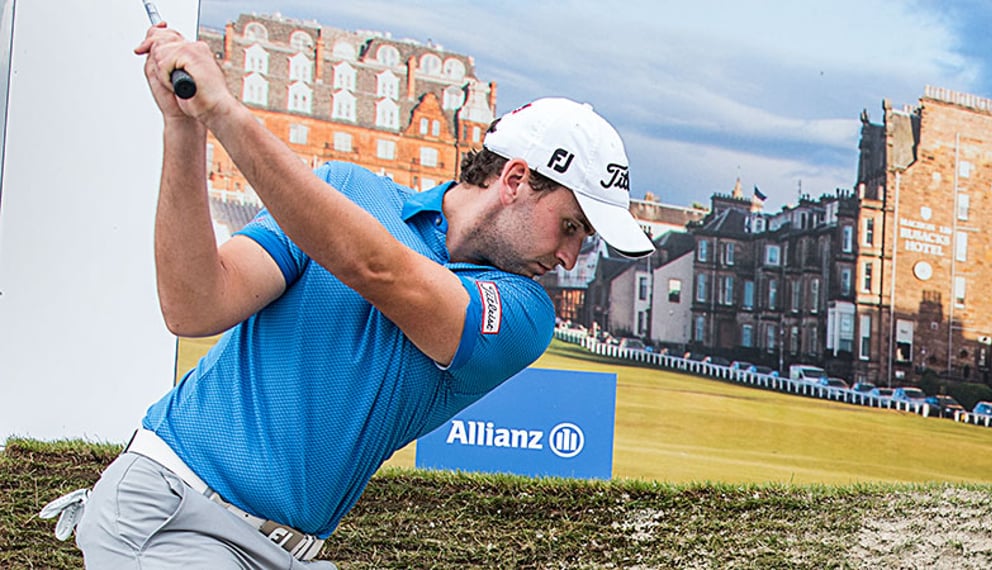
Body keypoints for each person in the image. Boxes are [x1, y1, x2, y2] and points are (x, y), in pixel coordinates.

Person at [41, 23, 653, 568]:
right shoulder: (346, 188)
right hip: (171, 512)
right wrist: (185, 128)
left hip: (285, 551)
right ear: (515, 179)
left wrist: (225, 113)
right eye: (571, 225)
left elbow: (376, 269)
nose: (571, 258)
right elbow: (196, 306)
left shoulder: (524, 314)